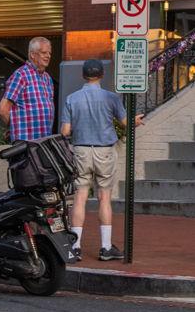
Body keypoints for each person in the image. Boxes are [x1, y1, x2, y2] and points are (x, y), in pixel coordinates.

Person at [59, 58, 140, 262]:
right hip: (104, 152)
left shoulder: (72, 99)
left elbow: (65, 131)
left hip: (81, 151)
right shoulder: (111, 98)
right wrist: (135, 121)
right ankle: (105, 248)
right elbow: (125, 123)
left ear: (83, 75)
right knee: (104, 198)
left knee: (80, 197)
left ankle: (75, 247)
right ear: (102, 75)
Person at [0, 36, 56, 142]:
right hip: (25, 142)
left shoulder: (47, 78)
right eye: (44, 52)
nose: (48, 56)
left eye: (49, 53)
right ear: (32, 55)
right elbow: (2, 110)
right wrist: (14, 127)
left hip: (43, 142)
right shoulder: (21, 75)